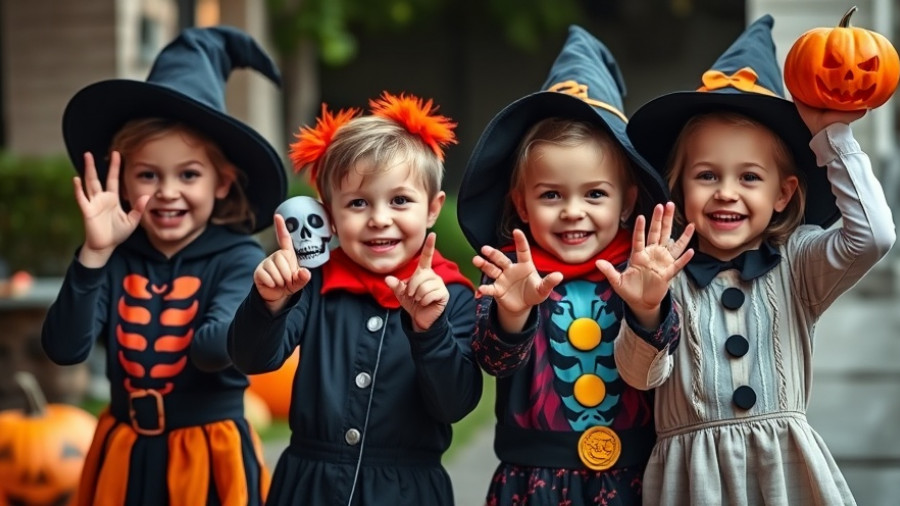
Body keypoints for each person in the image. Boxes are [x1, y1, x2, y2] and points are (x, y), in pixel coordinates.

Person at [617, 15, 896, 505]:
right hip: (692, 479)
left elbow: (873, 236)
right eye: (706, 175)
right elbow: (642, 377)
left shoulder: (799, 263)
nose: (727, 193)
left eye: (749, 177)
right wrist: (645, 311)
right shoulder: (663, 273)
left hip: (783, 472)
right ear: (679, 187)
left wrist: (833, 137)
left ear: (784, 193)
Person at [41, 26, 286, 506]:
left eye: (188, 174)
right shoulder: (116, 258)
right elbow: (66, 349)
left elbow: (215, 350)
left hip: (206, 454)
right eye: (148, 174)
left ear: (222, 181)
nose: (168, 191)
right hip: (122, 452)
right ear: (123, 181)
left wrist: (260, 308)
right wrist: (94, 256)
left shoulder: (237, 258)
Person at [456, 25, 693, 505]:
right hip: (532, 480)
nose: (572, 211)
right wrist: (513, 314)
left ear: (627, 203)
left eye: (595, 194)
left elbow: (660, 365)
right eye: (550, 195)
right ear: (521, 204)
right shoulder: (511, 277)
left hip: (631, 477)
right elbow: (493, 361)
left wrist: (648, 308)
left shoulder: (643, 270)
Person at [227, 91, 482, 506]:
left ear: (433, 208)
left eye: (400, 200)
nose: (379, 218)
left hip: (406, 491)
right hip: (308, 487)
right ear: (330, 215)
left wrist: (430, 330)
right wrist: (267, 303)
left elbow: (455, 404)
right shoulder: (310, 284)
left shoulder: (450, 297)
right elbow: (253, 360)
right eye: (358, 203)